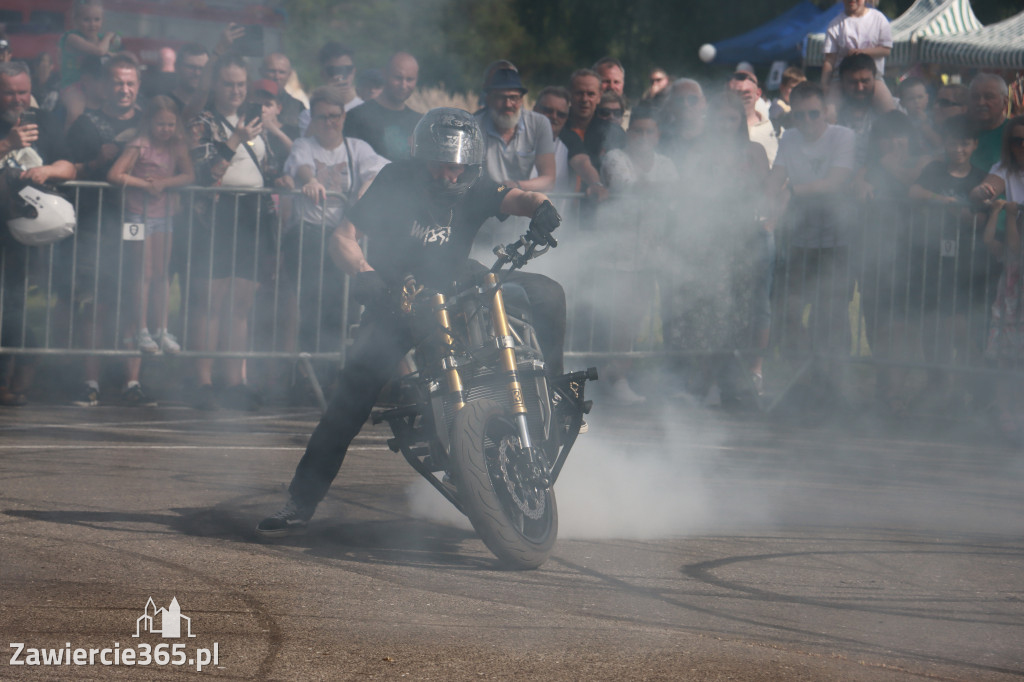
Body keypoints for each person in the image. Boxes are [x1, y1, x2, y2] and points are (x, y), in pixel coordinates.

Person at [256, 108, 567, 536]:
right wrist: (364, 274)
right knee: (350, 397)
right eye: (441, 164)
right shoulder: (394, 181)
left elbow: (516, 197)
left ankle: (551, 392)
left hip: (458, 282)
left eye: (458, 166)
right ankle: (300, 500)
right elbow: (342, 237)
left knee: (547, 292)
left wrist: (541, 206)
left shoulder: (476, 184)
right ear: (422, 160)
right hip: (396, 295)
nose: (450, 175)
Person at [186, 53, 281, 411]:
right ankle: (204, 383)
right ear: (216, 84)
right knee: (210, 303)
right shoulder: (202, 122)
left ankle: (235, 381)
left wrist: (281, 177)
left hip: (253, 215)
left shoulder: (253, 118)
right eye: (229, 84)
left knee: (240, 305)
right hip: (216, 215)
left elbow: (267, 166)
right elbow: (204, 173)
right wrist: (234, 140)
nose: (236, 90)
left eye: (241, 84)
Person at [62, 53, 152, 407]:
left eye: (130, 83)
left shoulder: (151, 123)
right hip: (96, 225)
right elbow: (74, 171)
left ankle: (132, 384)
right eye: (117, 82)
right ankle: (90, 382)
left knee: (134, 301)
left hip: (138, 223)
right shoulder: (87, 124)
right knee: (95, 305)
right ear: (104, 84)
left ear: (139, 85)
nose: (124, 89)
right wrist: (100, 160)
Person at [280, 85, 387, 365]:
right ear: (313, 120)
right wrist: (311, 181)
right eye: (323, 117)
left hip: (339, 239)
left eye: (335, 116)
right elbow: (301, 165)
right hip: (307, 238)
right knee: (309, 305)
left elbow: (378, 169)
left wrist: (366, 188)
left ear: (343, 117)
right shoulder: (305, 145)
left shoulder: (356, 148)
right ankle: (303, 372)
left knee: (338, 307)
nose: (330, 122)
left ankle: (330, 370)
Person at [767, 82, 856, 405]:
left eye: (813, 114)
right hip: (799, 241)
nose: (806, 122)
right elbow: (776, 177)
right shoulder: (789, 137)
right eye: (800, 115)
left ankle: (837, 389)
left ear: (825, 112)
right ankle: (805, 377)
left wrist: (792, 192)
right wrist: (766, 195)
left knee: (830, 316)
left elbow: (835, 182)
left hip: (836, 241)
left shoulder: (842, 136)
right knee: (787, 311)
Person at [0, 61, 76, 406]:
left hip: (21, 231)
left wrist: (48, 170)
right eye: (9, 93)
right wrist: (7, 143)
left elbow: (69, 164)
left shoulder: (43, 120)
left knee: (13, 303)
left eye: (23, 92)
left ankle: (18, 370)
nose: (17, 99)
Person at [595, 108, 678, 404]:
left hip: (650, 253)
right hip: (617, 253)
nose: (643, 137)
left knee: (636, 319)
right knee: (619, 319)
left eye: (649, 132)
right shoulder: (616, 157)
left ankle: (617, 375)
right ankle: (615, 378)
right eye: (638, 131)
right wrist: (659, 191)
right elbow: (626, 187)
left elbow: (673, 194)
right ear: (629, 133)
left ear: (657, 136)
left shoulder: (666, 163)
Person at [107, 95, 194, 357]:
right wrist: (145, 185)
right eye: (160, 124)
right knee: (142, 273)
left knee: (161, 274)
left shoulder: (177, 146)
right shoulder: (139, 144)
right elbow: (115, 174)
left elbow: (189, 175)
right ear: (149, 122)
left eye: (170, 124)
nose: (165, 130)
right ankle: (141, 329)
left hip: (164, 216)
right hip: (137, 216)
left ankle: (162, 328)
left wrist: (165, 183)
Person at [474, 68, 555, 192]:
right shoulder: (474, 126)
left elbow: (549, 179)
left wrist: (516, 185)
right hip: (484, 199)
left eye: (514, 98)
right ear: (489, 99)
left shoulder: (539, 123)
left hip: (523, 198)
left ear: (522, 100)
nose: (508, 104)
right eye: (501, 98)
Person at [982, 198, 1023, 442]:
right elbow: (989, 240)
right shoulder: (1009, 251)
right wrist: (999, 213)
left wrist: (1010, 217)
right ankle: (1005, 413)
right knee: (1004, 365)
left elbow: (1017, 246)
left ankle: (1018, 414)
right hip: (1007, 315)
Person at [343, 52, 421, 161]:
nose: (403, 85)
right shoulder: (356, 116)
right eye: (398, 78)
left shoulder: (420, 124)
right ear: (384, 74)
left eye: (409, 80)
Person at [821, 0, 894, 113]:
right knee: (830, 112)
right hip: (841, 79)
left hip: (873, 78)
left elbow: (886, 50)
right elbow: (829, 60)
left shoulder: (879, 19)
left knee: (889, 111)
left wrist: (862, 52)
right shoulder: (835, 24)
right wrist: (825, 84)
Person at [58, 0, 121, 130]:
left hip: (95, 84)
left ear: (102, 20)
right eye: (87, 20)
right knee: (75, 113)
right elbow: (99, 51)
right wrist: (109, 37)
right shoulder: (72, 38)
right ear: (76, 21)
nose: (92, 24)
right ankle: (66, 141)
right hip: (73, 84)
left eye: (96, 19)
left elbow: (113, 54)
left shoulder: (100, 39)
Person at [562, 69, 625, 175]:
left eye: (591, 94)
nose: (584, 99)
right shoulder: (557, 128)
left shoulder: (613, 132)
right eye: (579, 93)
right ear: (569, 95)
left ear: (599, 97)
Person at [296, 42, 362, 136]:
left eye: (346, 69)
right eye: (333, 71)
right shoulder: (308, 115)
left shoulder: (365, 109)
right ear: (323, 74)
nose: (340, 76)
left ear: (353, 72)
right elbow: (305, 145)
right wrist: (324, 97)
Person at [727, 70, 779, 165]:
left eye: (747, 93)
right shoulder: (718, 126)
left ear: (758, 94)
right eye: (737, 93)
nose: (742, 97)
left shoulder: (776, 129)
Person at [261, 53, 305, 132]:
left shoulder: (298, 107)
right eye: (272, 71)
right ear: (261, 72)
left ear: (289, 75)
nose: (277, 77)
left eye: (282, 72)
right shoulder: (250, 100)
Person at [769, 66, 806, 134]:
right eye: (792, 88)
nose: (796, 92)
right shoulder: (777, 106)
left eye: (800, 89)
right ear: (782, 88)